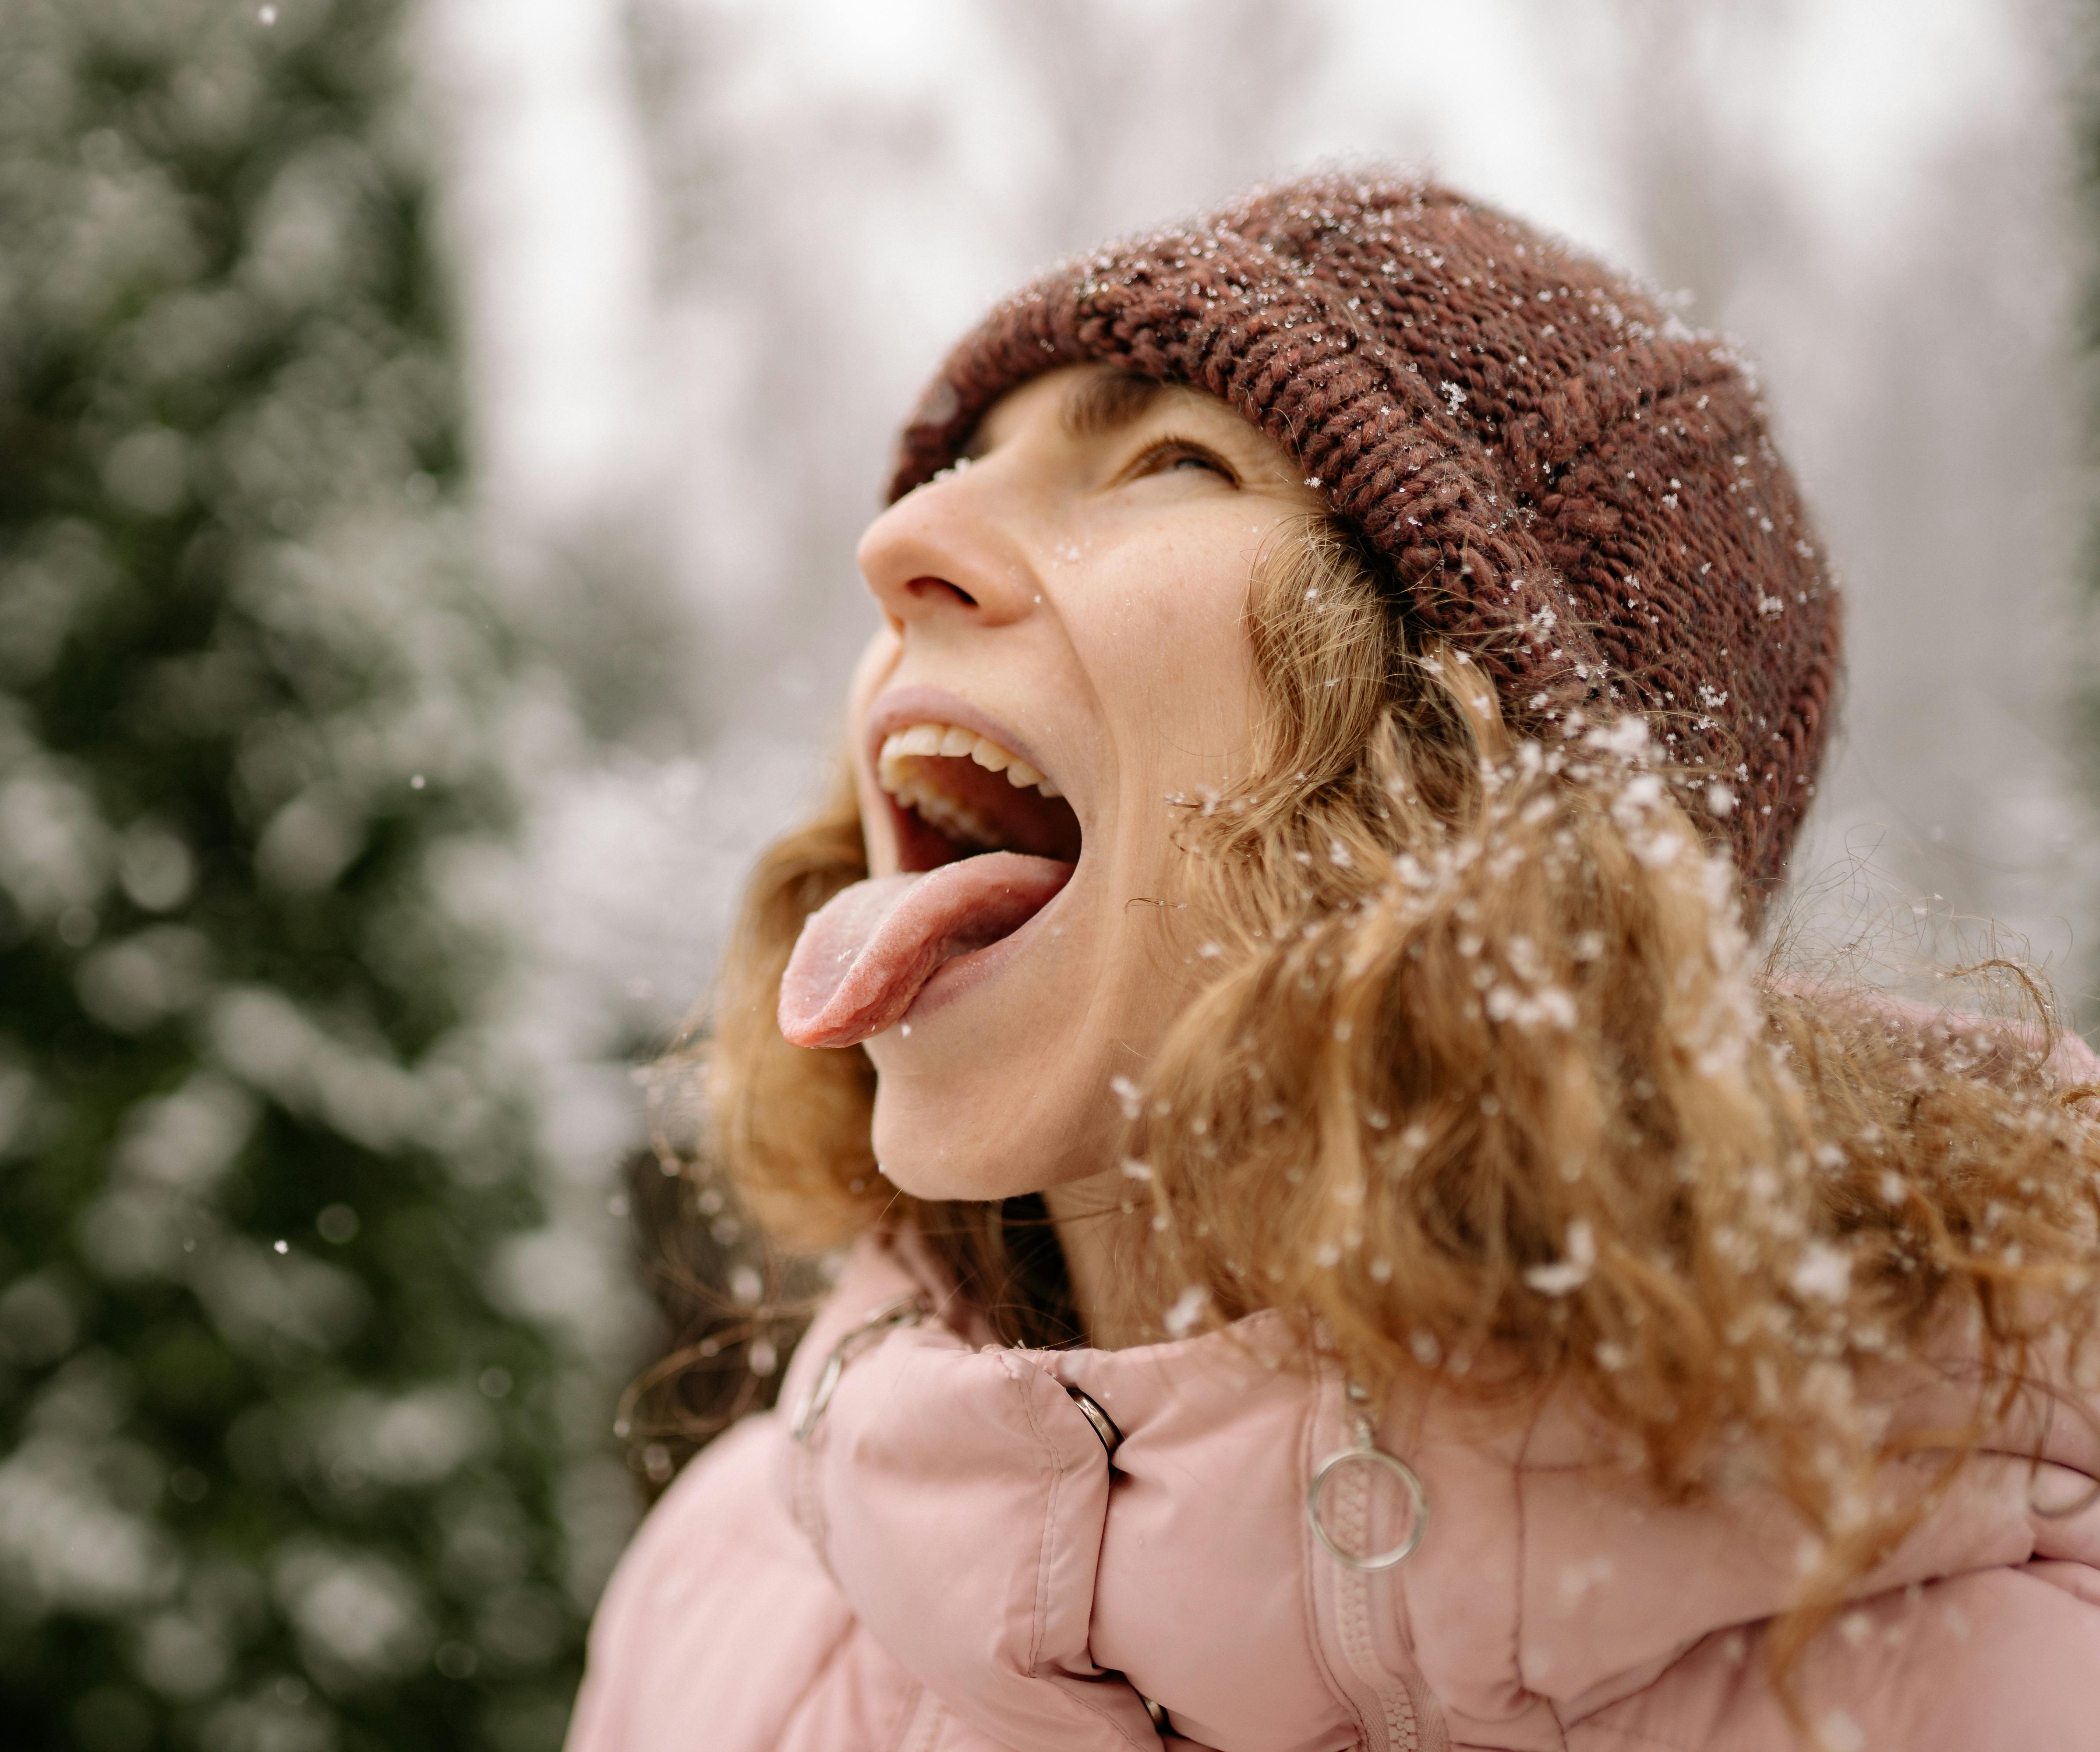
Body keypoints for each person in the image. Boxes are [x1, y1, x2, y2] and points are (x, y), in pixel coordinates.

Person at [565, 173, 2100, 1752]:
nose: (902, 537)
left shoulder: (2005, 1689)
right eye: (964, 464)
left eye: (1169, 459)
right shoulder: (728, 1600)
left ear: (1473, 774)